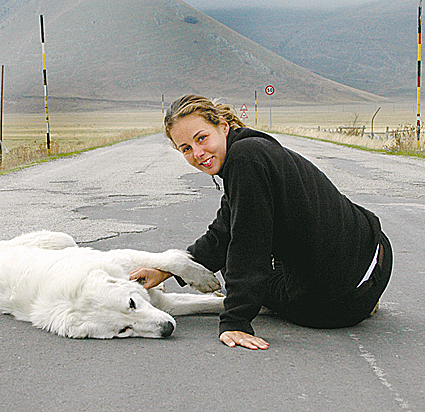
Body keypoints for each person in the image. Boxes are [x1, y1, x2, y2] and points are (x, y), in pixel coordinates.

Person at [129, 95, 392, 350]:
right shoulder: (251, 149)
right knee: (240, 250)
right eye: (186, 148)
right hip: (375, 253)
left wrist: (236, 321)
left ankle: (360, 299)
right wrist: (167, 271)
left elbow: (247, 243)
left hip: (336, 306)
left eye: (201, 138)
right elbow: (222, 232)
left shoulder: (244, 160)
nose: (198, 153)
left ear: (222, 126)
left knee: (235, 271)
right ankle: (364, 295)